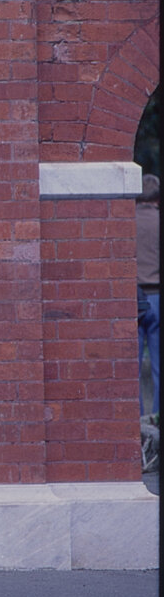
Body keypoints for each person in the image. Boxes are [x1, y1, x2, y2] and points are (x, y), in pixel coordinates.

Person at [138, 174, 160, 419]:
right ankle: (157, 417)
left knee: (130, 366)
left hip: (133, 297)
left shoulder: (126, 221)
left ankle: (137, 420)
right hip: (157, 295)